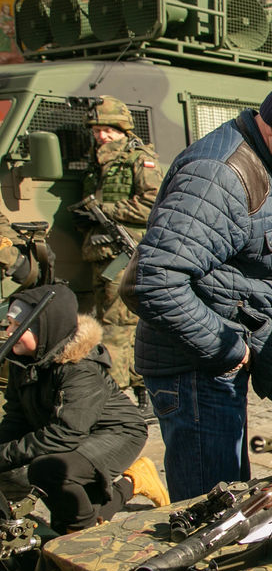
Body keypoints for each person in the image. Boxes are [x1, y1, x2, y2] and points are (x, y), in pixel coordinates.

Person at [132, 75, 272, 502]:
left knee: (227, 499)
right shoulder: (221, 175)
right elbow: (155, 279)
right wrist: (231, 348)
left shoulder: (262, 162)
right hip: (197, 373)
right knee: (208, 514)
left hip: (209, 369)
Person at [0, 283, 168, 534]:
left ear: (43, 329)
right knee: (80, 508)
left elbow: (66, 433)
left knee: (49, 472)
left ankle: (77, 541)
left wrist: (3, 455)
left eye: (16, 325)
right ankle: (133, 483)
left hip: (117, 433)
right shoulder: (23, 361)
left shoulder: (80, 367)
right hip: (74, 433)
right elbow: (16, 417)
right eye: (8, 324)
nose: (7, 331)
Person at [72, 96, 163, 420]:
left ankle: (110, 399)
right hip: (103, 252)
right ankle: (144, 394)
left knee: (117, 323)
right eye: (97, 130)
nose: (101, 136)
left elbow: (153, 202)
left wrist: (106, 211)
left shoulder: (138, 158)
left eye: (107, 129)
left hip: (125, 253)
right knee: (119, 321)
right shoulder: (98, 162)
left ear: (122, 128)